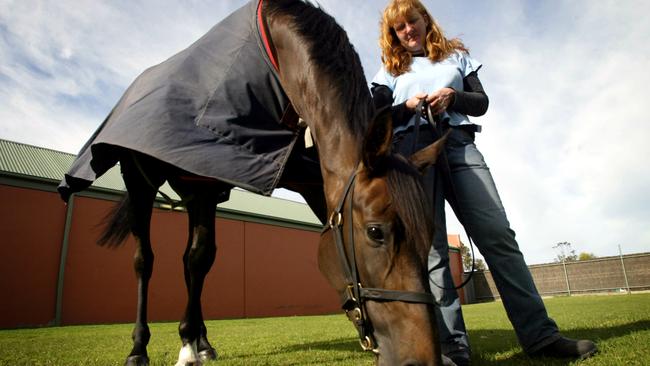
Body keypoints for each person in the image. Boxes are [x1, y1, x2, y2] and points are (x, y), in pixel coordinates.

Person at [370, 1, 597, 365]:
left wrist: (453, 96)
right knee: (432, 254)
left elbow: (481, 102)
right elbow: (376, 116)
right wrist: (407, 107)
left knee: (499, 237)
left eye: (413, 20)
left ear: (425, 20)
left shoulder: (456, 57)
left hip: (459, 147)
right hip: (411, 157)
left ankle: (541, 336)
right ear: (393, 34)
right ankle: (453, 352)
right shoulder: (389, 71)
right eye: (400, 27)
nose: (408, 30)